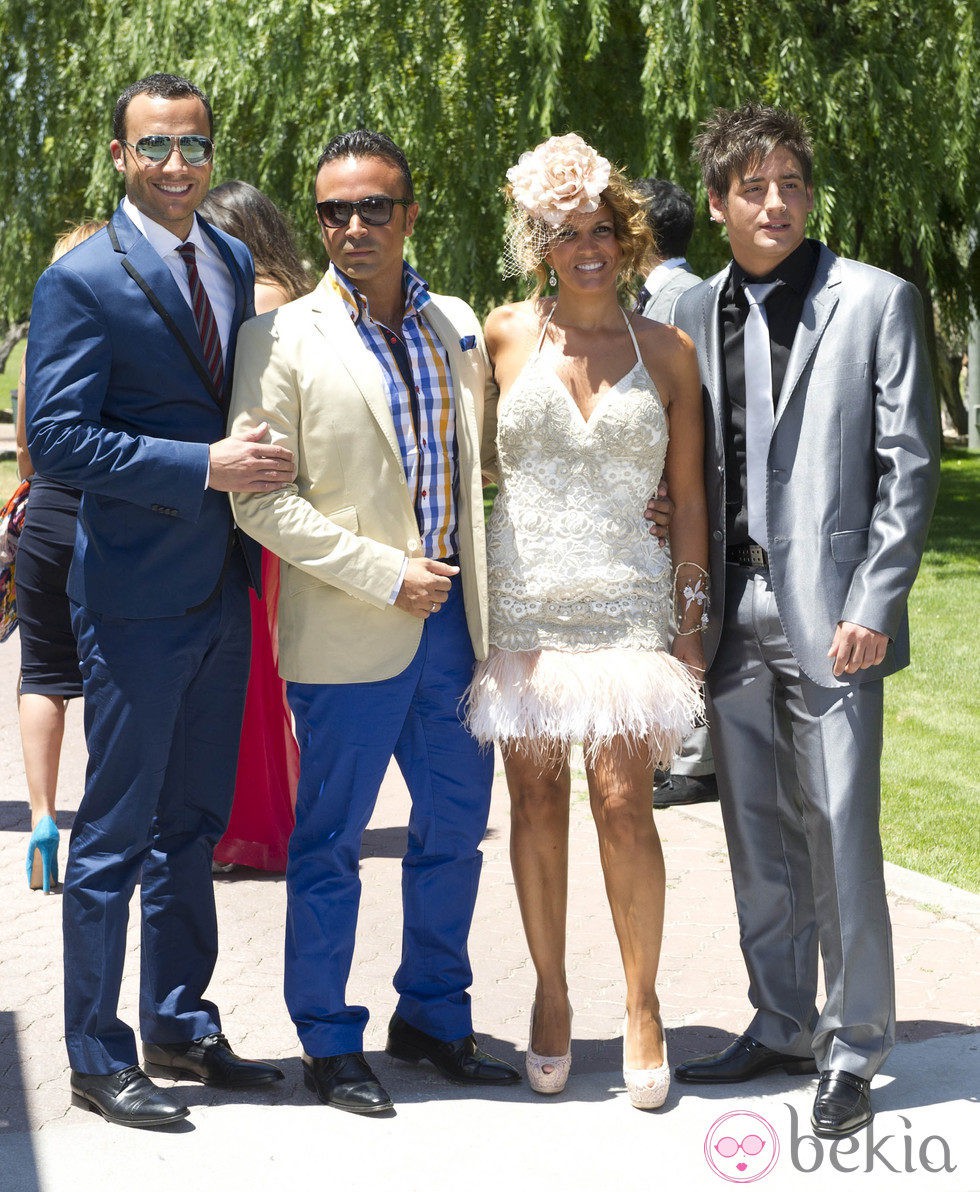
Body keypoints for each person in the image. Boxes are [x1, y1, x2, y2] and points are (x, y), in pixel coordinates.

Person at [228, 129, 520, 1115]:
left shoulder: (456, 328)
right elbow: (260, 502)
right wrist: (382, 572)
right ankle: (325, 1035)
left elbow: (483, 474)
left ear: (410, 212)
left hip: (453, 634)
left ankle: (433, 1014)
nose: (353, 227)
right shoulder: (277, 339)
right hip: (349, 626)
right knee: (329, 845)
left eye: (373, 208)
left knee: (454, 833)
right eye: (333, 212)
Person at [662, 103, 940, 1139]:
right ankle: (777, 1019)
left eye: (790, 184)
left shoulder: (875, 301)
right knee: (754, 830)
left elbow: (907, 469)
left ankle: (852, 1043)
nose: (774, 202)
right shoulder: (692, 312)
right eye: (752, 187)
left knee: (839, 829)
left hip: (832, 617)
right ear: (717, 203)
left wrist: (874, 600)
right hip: (728, 609)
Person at [25, 72, 294, 1129]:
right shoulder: (83, 280)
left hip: (223, 585)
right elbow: (59, 439)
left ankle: (178, 1023)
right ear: (118, 155)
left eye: (192, 146)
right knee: (115, 832)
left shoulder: (228, 257)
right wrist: (205, 466)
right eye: (154, 147)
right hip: (135, 591)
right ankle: (97, 1052)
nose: (176, 165)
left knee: (193, 820)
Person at [466, 134, 708, 1109]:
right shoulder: (499, 335)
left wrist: (688, 622)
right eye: (566, 232)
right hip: (523, 598)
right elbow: (462, 467)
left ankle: (641, 1004)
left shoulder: (667, 351)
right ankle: (552, 994)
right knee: (531, 804)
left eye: (601, 229)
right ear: (540, 243)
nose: (587, 247)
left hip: (626, 599)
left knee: (620, 802)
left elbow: (686, 498)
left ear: (627, 237)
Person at [198, 181, 313, 872]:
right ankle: (253, 820)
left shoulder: (259, 297)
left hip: (248, 499)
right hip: (271, 495)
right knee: (258, 677)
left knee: (244, 677)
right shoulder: (291, 293)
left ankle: (239, 827)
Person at [16, 222, 105, 894]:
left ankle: (44, 817)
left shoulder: (40, 348)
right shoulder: (124, 334)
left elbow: (27, 447)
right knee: (115, 673)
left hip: (45, 515)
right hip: (108, 519)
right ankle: (106, 826)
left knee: (43, 673)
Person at [634, 178, 718, 809]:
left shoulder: (681, 303)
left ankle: (695, 759)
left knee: (686, 616)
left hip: (682, 492)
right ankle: (683, 752)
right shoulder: (672, 293)